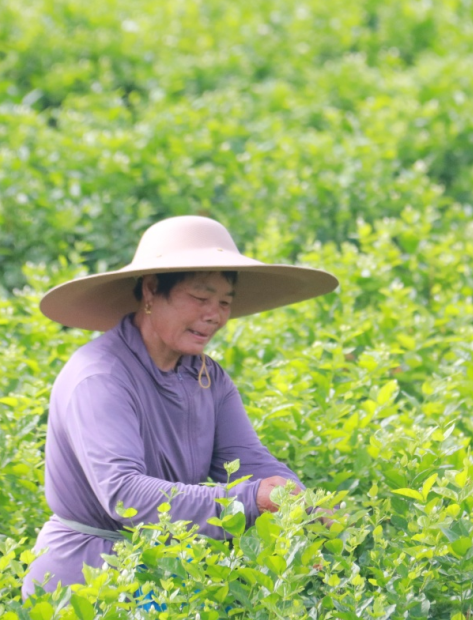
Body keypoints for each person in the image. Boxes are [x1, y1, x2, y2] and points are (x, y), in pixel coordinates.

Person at [22, 216, 338, 598]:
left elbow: (248, 459)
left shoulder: (208, 376)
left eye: (224, 302)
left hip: (166, 572)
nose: (215, 315)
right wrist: (249, 501)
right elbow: (124, 495)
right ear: (152, 290)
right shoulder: (101, 377)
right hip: (89, 580)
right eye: (201, 298)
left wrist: (302, 508)